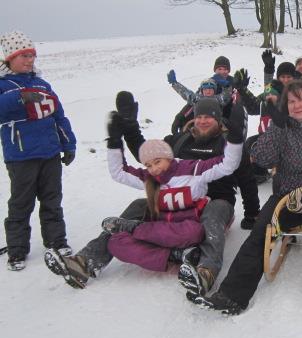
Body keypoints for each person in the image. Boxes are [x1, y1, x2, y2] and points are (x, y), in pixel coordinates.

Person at [194, 80, 302, 323]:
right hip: (289, 195)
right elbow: (262, 159)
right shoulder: (281, 128)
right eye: (292, 101)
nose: (297, 105)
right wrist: (276, 128)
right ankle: (231, 295)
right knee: (261, 230)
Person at [44, 94, 260, 289]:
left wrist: (252, 213)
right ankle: (86, 260)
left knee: (215, 210)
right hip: (174, 200)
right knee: (139, 204)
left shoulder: (228, 144)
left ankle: (206, 271)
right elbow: (148, 156)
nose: (203, 120)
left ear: (218, 118)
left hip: (216, 200)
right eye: (199, 116)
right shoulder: (178, 140)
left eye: (209, 116)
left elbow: (246, 178)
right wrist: (128, 128)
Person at [96, 102, 243, 275]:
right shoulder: (151, 178)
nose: (155, 169)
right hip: (161, 228)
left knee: (193, 232)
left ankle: (135, 229)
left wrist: (235, 137)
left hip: (186, 227)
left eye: (158, 162)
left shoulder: (192, 169)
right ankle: (174, 257)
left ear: (169, 157)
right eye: (149, 165)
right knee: (116, 243)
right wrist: (114, 142)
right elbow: (119, 172)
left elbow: (227, 164)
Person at [0, 31, 77, 271]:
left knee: (52, 199)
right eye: (23, 55)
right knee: (21, 203)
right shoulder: (3, 85)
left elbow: (59, 116)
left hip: (49, 153)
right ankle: (17, 250)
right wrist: (21, 97)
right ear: (10, 58)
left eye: (32, 55)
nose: (29, 60)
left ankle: (56, 241)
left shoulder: (42, 84)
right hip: (21, 156)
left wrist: (68, 144)